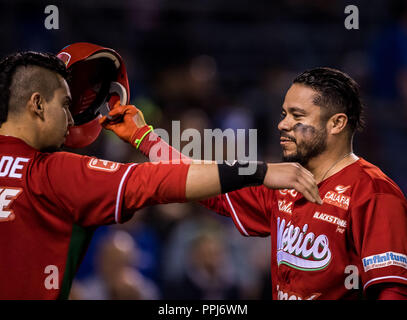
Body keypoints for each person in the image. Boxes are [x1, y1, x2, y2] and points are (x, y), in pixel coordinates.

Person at [0, 51, 321, 299]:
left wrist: (146, 140)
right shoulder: (53, 172)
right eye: (66, 104)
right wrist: (260, 170)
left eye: (295, 115)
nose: (71, 117)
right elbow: (161, 182)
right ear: (37, 104)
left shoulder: (365, 188)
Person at [103, 67, 407, 300]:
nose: (283, 123)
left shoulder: (375, 193)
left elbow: (391, 291)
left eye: (296, 115)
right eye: (284, 113)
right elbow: (203, 182)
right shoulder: (285, 183)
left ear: (337, 123)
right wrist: (144, 138)